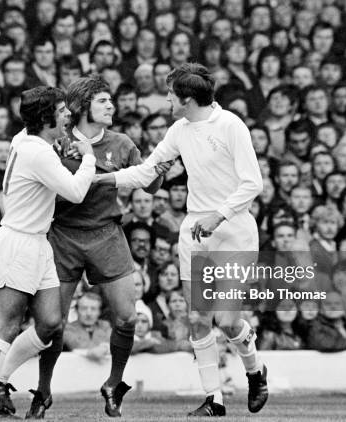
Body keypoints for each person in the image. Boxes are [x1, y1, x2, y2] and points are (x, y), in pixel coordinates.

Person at [96, 63, 268, 417]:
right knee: (198, 317)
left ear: (188, 99)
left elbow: (253, 183)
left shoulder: (231, 125)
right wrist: (101, 180)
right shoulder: (179, 129)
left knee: (229, 320)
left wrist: (218, 214)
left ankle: (255, 371)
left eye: (172, 94)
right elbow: (147, 172)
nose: (168, 99)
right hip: (195, 233)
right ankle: (213, 399)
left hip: (233, 231)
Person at [35, 74, 163, 419]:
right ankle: (43, 389)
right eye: (103, 101)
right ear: (81, 107)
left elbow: (150, 186)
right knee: (52, 324)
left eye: (111, 100)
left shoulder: (122, 143)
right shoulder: (55, 142)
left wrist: (158, 167)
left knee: (126, 318)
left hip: (106, 234)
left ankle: (114, 384)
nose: (112, 106)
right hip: (62, 235)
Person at [0, 86, 95, 419]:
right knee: (6, 325)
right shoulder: (37, 152)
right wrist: (88, 157)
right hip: (17, 241)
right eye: (61, 111)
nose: (68, 115)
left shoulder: (26, 141)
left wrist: (56, 141)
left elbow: (39, 143)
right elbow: (74, 192)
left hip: (37, 242)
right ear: (46, 118)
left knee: (51, 323)